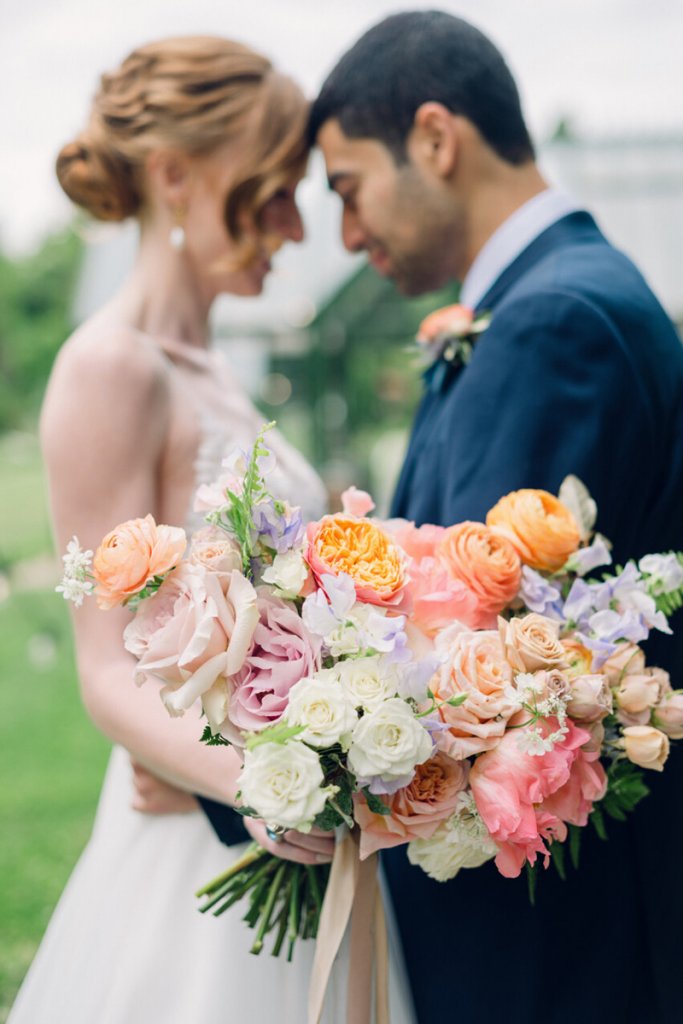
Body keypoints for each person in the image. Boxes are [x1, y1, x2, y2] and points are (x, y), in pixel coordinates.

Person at [8, 36, 414, 1024]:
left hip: (293, 827)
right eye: (268, 190)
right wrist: (272, 785)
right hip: (207, 844)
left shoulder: (217, 371)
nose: (291, 222)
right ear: (175, 175)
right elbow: (106, 674)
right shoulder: (111, 368)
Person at [310, 10, 683, 1024]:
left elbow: (458, 653)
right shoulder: (541, 300)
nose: (347, 233)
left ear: (434, 137)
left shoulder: (553, 321)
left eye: (348, 188)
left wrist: (243, 769)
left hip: (550, 948)